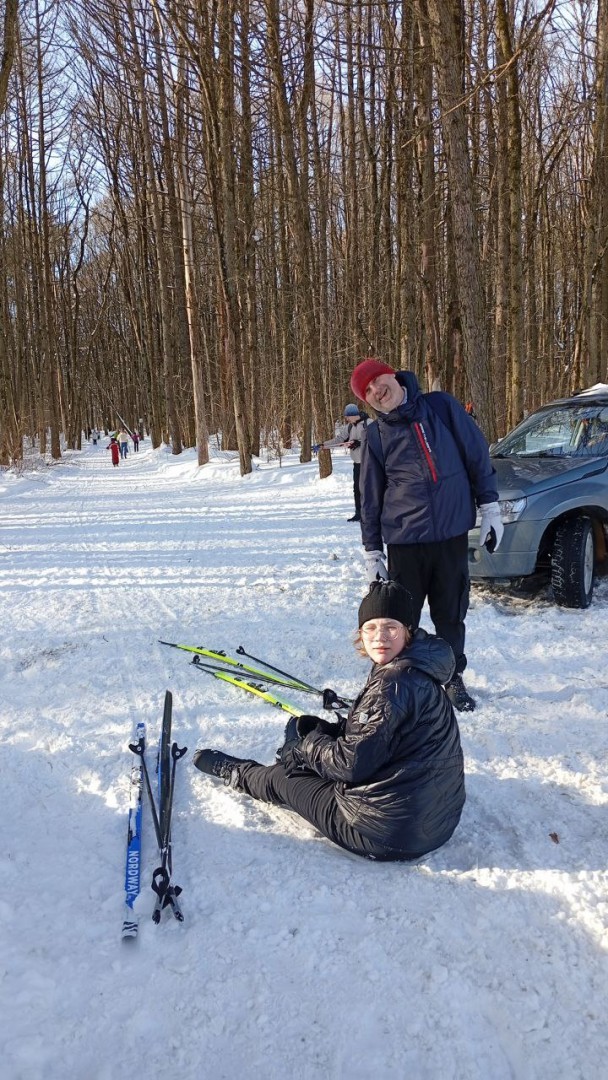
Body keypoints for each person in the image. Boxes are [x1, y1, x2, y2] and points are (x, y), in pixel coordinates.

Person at [193, 580, 466, 862]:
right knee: (306, 731)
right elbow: (385, 733)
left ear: (407, 631)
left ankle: (237, 773)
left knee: (283, 778)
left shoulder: (392, 683)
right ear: (361, 633)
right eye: (370, 628)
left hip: (385, 833)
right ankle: (297, 754)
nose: (380, 637)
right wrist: (326, 733)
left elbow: (351, 765)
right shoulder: (417, 665)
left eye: (391, 627)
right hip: (438, 821)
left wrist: (304, 749)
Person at [350, 357, 503, 712]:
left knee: (451, 612)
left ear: (392, 375)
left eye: (377, 381)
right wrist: (372, 551)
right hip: (405, 543)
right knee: (401, 617)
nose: (376, 391)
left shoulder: (441, 407)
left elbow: (476, 455)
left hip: (450, 536)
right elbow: (369, 498)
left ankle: (451, 677)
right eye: (367, 392)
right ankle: (395, 681)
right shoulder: (376, 435)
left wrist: (490, 506)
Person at [313, 404, 368, 521]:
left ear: (353, 415)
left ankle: (371, 514)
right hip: (357, 463)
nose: (346, 419)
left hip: (369, 463)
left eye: (347, 416)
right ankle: (359, 513)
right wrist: (323, 445)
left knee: (369, 489)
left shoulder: (368, 423)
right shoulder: (349, 427)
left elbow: (376, 440)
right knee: (357, 489)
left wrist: (359, 443)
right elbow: (339, 440)